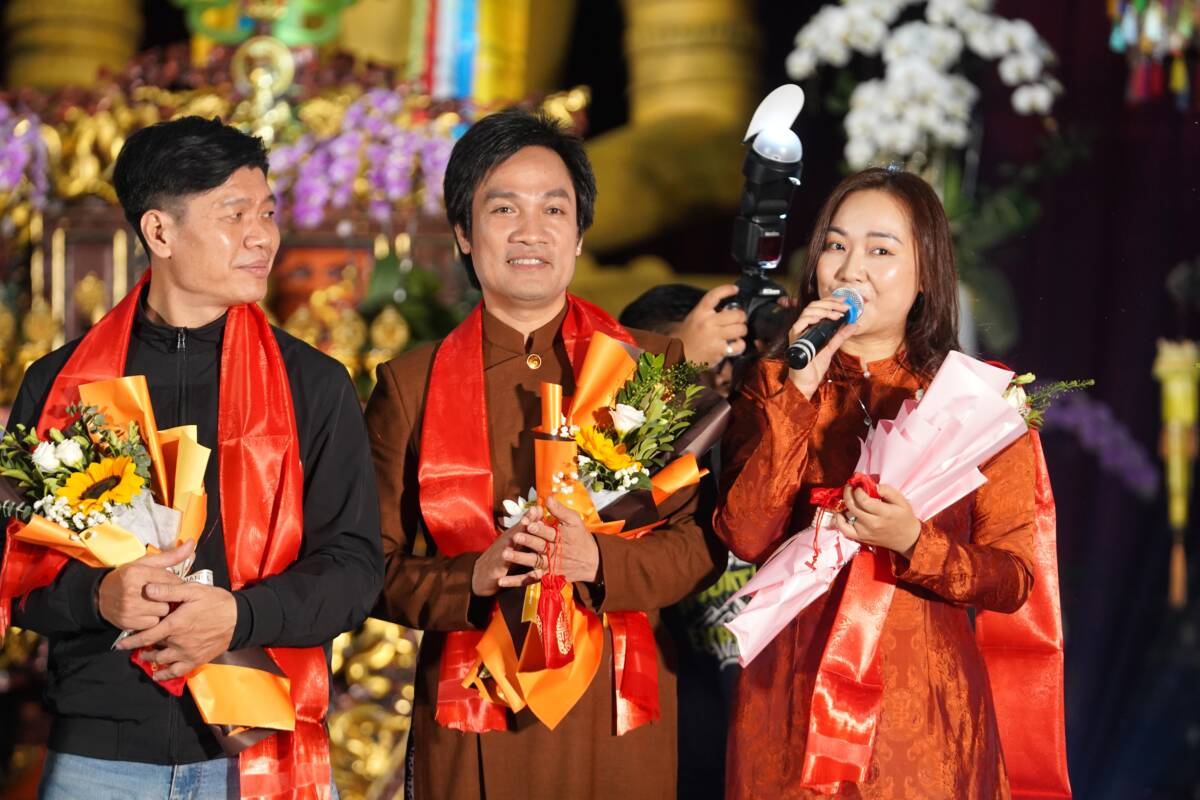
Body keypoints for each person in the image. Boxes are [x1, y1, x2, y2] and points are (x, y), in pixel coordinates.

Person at [0, 116, 383, 798]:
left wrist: (239, 616)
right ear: (160, 232)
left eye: (268, 213)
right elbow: (13, 566)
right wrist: (98, 597)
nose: (263, 236)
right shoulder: (62, 386)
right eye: (234, 215)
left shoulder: (314, 385)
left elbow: (355, 570)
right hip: (100, 760)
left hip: (257, 750)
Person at [365, 109, 726, 800]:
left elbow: (701, 544)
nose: (531, 231)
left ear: (580, 232)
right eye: (504, 209)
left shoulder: (648, 369)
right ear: (465, 232)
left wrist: (600, 562)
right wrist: (473, 576)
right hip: (474, 711)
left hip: (618, 713)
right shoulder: (410, 386)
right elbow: (366, 566)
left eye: (554, 209)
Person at [716, 167, 1043, 798]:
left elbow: (1013, 579)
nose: (850, 270)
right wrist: (797, 392)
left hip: (922, 706)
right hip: (790, 692)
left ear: (926, 276)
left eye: (881, 251)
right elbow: (746, 534)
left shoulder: (971, 402)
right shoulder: (775, 382)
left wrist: (914, 541)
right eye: (836, 245)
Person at [618, 283, 755, 800]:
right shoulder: (615, 478)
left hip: (761, 745)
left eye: (714, 363)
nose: (709, 381)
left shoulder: (763, 458)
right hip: (670, 750)